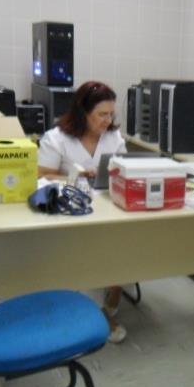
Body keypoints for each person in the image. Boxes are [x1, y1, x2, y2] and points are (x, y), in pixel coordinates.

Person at [38, 80, 128, 343]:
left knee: (128, 240)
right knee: (91, 246)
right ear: (83, 112)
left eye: (111, 114)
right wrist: (74, 176)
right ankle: (97, 310)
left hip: (108, 209)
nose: (107, 120)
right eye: (101, 114)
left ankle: (113, 290)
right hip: (70, 211)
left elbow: (125, 168)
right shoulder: (57, 138)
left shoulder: (113, 137)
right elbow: (41, 176)